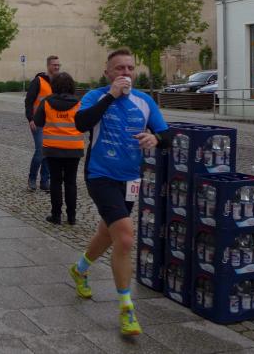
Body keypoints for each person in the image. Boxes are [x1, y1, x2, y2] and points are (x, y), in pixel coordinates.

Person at [68, 49, 171, 337]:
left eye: (130, 68)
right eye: (119, 68)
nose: (126, 73)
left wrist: (155, 138)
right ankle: (126, 308)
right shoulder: (96, 96)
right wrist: (111, 96)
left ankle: (79, 269)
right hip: (100, 175)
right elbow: (80, 123)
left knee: (108, 232)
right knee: (125, 237)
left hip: (130, 179)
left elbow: (168, 135)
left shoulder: (144, 101)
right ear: (108, 73)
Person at [32, 72, 83, 225]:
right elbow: (83, 123)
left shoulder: (46, 102)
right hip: (74, 148)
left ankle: (56, 215)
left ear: (54, 86)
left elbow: (38, 122)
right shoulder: (79, 103)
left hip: (53, 148)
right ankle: (71, 217)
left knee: (55, 181)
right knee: (71, 182)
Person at [23, 55, 60, 191]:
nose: (57, 67)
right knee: (40, 151)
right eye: (54, 65)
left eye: (58, 65)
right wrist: (30, 119)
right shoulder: (38, 81)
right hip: (37, 122)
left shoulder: (58, 82)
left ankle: (45, 181)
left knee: (49, 152)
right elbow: (29, 101)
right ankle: (32, 179)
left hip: (52, 123)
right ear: (48, 66)